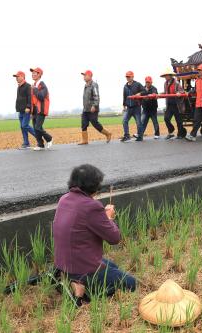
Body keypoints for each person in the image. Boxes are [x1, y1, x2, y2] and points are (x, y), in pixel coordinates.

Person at [53, 164, 136, 299]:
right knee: (131, 284)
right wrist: (109, 218)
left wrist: (101, 215)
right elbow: (114, 238)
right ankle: (81, 288)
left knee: (113, 267)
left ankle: (73, 279)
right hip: (80, 267)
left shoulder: (64, 199)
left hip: (64, 263)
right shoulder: (92, 207)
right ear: (94, 186)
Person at [78, 70, 112, 145]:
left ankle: (108, 134)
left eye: (85, 75)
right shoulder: (86, 85)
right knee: (84, 124)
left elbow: (96, 96)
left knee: (95, 123)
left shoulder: (94, 85)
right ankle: (85, 140)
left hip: (93, 108)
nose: (84, 77)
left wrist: (94, 105)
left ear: (90, 76)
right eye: (83, 75)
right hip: (85, 109)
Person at [30, 67, 53, 151]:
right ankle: (40, 145)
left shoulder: (42, 84)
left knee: (38, 127)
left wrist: (34, 89)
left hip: (41, 109)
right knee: (36, 128)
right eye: (32, 73)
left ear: (39, 74)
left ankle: (49, 138)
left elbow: (41, 96)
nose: (33, 74)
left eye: (35, 73)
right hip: (35, 110)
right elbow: (32, 99)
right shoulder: (34, 85)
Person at [161, 69, 186, 140]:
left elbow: (182, 91)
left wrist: (179, 93)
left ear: (170, 76)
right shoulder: (165, 83)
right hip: (169, 104)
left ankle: (180, 134)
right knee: (166, 118)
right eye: (165, 75)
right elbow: (166, 92)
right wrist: (160, 94)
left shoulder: (176, 83)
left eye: (166, 75)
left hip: (177, 104)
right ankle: (171, 132)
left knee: (179, 120)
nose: (165, 77)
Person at [13, 71, 35, 149]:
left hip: (26, 110)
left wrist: (28, 107)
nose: (16, 78)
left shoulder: (27, 86)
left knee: (25, 125)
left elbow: (30, 97)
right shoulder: (19, 87)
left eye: (17, 76)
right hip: (21, 110)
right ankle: (26, 143)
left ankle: (38, 137)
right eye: (16, 77)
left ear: (22, 76)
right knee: (22, 127)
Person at [121, 71, 145, 142]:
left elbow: (145, 91)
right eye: (127, 77)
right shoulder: (125, 86)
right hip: (128, 107)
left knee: (138, 123)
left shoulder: (137, 84)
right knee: (124, 121)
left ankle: (140, 137)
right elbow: (125, 96)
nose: (127, 78)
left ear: (132, 77)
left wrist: (140, 93)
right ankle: (127, 136)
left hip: (136, 107)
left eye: (129, 76)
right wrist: (124, 105)